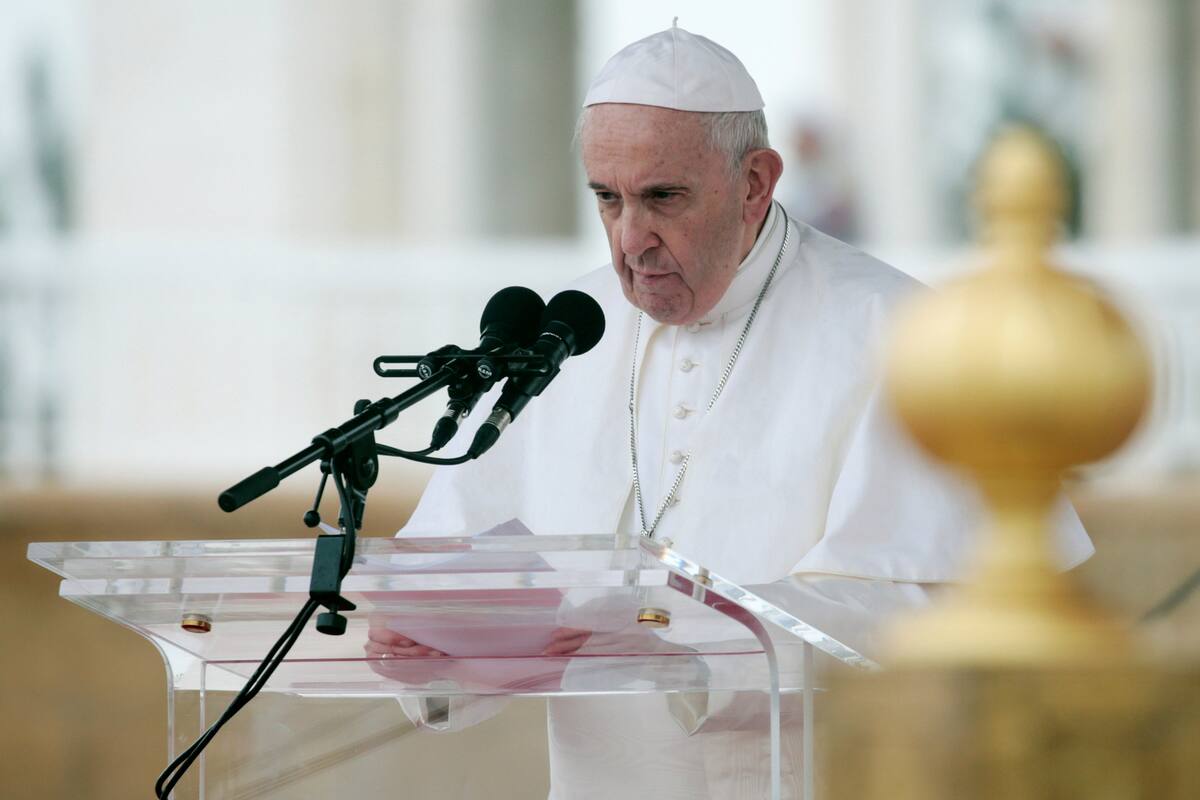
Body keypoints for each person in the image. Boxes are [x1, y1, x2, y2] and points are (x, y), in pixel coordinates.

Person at [367, 23, 1094, 798]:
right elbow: (461, 578)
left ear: (755, 183)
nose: (630, 240)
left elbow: (945, 618)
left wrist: (675, 626)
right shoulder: (568, 337)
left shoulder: (900, 333)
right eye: (607, 199)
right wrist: (430, 648)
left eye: (662, 198)